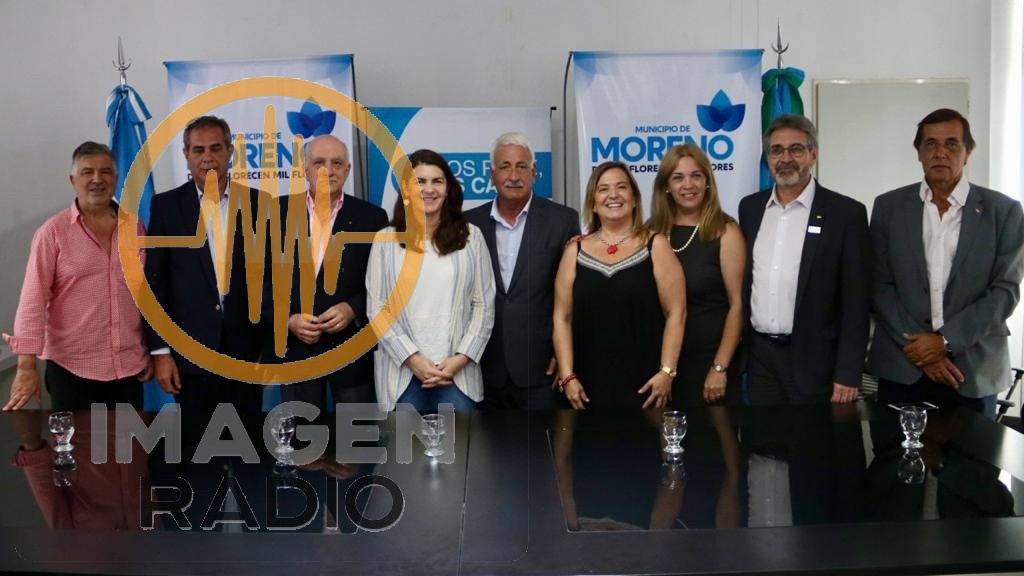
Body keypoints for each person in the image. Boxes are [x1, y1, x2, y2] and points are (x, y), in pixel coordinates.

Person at [869, 108, 1024, 417]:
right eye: (931, 143)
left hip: (972, 371)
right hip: (903, 367)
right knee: (893, 448)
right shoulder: (888, 207)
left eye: (952, 144)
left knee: (972, 451)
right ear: (919, 152)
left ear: (967, 153)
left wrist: (945, 342)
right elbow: (879, 284)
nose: (940, 152)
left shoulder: (1003, 211)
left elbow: (1004, 291)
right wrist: (922, 351)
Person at [3, 142, 150, 411]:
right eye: (87, 172)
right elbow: (32, 301)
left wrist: (152, 350)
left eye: (105, 171)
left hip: (128, 368)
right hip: (72, 371)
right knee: (78, 440)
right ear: (73, 180)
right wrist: (26, 366)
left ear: (116, 179)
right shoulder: (52, 233)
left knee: (129, 439)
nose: (97, 179)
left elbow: (148, 294)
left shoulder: (136, 227)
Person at [738, 114, 871, 405]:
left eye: (796, 149)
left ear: (813, 154)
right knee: (761, 434)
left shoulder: (845, 214)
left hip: (816, 363)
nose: (785, 158)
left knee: (815, 435)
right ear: (768, 158)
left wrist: (849, 372)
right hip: (760, 361)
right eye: (776, 150)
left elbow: (857, 302)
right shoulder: (750, 208)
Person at [144, 116, 265, 416]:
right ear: (186, 154)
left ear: (229, 151)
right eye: (198, 150)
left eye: (215, 148)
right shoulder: (166, 207)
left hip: (247, 354)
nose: (208, 157)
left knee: (247, 440)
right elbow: (155, 285)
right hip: (189, 357)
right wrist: (160, 352)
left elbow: (271, 280)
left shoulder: (260, 204)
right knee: (197, 443)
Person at [366, 149, 495, 412]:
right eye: (420, 181)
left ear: (448, 189)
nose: (429, 189)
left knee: (461, 441)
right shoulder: (385, 240)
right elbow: (377, 309)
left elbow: (484, 304)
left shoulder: (471, 237)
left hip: (457, 375)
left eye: (437, 181)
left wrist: (460, 359)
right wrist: (413, 360)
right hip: (402, 376)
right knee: (405, 442)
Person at [552, 161, 685, 410]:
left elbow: (676, 312)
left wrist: (667, 371)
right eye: (603, 189)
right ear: (593, 203)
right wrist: (567, 376)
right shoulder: (574, 251)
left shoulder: (656, 246)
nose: (613, 195)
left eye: (621, 187)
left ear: (634, 199)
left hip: (647, 386)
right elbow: (562, 317)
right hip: (584, 388)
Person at [466, 133, 580, 410]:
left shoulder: (562, 220)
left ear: (534, 172)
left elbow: (574, 294)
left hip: (541, 367)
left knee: (543, 440)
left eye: (522, 166)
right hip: (483, 365)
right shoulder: (469, 224)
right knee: (485, 440)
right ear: (492, 175)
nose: (514, 176)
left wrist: (563, 354)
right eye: (505, 167)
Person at [274, 135, 388, 410]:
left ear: (348, 170)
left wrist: (353, 308)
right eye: (319, 163)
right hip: (296, 350)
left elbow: (384, 283)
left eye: (337, 163)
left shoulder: (372, 218)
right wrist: (287, 319)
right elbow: (257, 281)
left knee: (355, 435)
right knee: (302, 435)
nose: (328, 170)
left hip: (351, 351)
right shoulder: (274, 213)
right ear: (305, 170)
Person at [648, 143, 745, 408]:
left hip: (708, 366)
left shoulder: (726, 232)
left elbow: (737, 306)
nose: (688, 185)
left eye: (696, 176)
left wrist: (720, 367)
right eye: (678, 177)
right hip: (660, 364)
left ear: (708, 182)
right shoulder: (651, 231)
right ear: (666, 186)